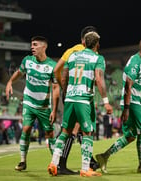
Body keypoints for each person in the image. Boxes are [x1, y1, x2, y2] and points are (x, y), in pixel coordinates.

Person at [48, 31, 113, 177]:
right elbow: (99, 79)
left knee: (65, 131)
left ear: (84, 43)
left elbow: (63, 78)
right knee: (87, 132)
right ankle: (85, 168)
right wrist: (106, 102)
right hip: (83, 99)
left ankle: (53, 163)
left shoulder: (72, 55)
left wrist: (67, 93)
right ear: (97, 44)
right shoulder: (98, 58)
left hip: (70, 97)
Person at [96, 37, 141, 174]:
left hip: (136, 101)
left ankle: (104, 156)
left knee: (130, 136)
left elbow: (139, 84)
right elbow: (127, 86)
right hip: (131, 102)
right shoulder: (135, 62)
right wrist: (126, 108)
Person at [5, 36, 60, 171]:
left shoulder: (53, 66)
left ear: (44, 47)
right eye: (31, 45)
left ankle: (55, 163)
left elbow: (56, 88)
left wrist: (54, 110)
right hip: (29, 103)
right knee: (26, 129)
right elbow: (19, 73)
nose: (32, 47)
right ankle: (23, 161)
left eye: (35, 45)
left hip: (44, 106)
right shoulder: (27, 60)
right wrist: (10, 82)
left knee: (49, 134)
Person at [53, 26, 100, 175]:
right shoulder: (92, 53)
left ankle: (88, 161)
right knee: (77, 128)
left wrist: (64, 89)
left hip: (69, 92)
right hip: (83, 95)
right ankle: (63, 164)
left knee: (74, 128)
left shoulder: (70, 51)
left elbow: (56, 70)